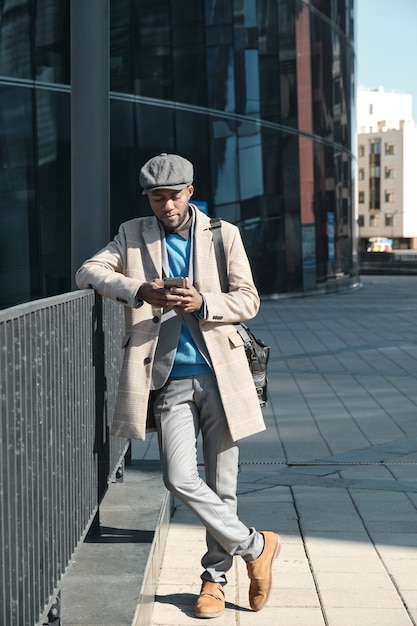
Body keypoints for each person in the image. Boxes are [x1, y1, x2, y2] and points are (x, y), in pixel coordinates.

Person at [76, 152, 281, 618]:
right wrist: (139, 290)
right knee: (179, 477)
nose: (165, 206)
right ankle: (256, 546)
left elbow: (249, 300)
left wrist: (204, 301)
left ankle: (214, 579)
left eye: (173, 196)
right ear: (148, 198)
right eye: (156, 197)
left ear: (190, 192)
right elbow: (87, 271)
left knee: (222, 483)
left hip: (223, 376)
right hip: (168, 378)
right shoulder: (132, 233)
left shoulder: (222, 234)